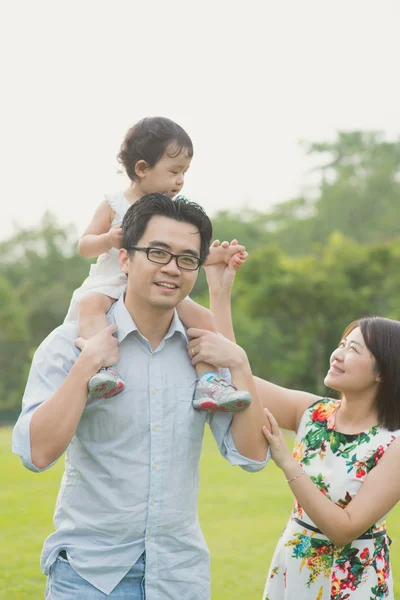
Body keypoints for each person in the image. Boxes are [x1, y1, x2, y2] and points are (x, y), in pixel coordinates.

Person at [12, 193, 269, 600]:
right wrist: (86, 367)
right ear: (125, 259)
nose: (172, 268)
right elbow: (36, 454)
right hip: (90, 576)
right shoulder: (69, 344)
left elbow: (252, 456)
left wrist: (239, 363)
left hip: (180, 577)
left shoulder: (207, 352)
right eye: (157, 252)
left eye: (187, 259)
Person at [187, 313, 400, 599]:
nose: (338, 355)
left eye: (353, 350)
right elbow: (236, 376)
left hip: (351, 582)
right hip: (294, 567)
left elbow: (343, 529)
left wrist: (286, 461)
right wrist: (220, 287)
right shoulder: (314, 413)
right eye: (342, 344)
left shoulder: (392, 444)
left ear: (382, 372)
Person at [68, 115, 251, 413]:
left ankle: (207, 379)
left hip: (160, 286)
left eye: (184, 173)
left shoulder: (168, 214)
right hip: (113, 282)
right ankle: (103, 369)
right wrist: (109, 240)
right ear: (142, 169)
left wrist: (213, 258)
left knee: (203, 318)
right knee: (89, 305)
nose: (180, 181)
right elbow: (84, 245)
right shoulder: (115, 203)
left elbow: (174, 256)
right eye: (174, 171)